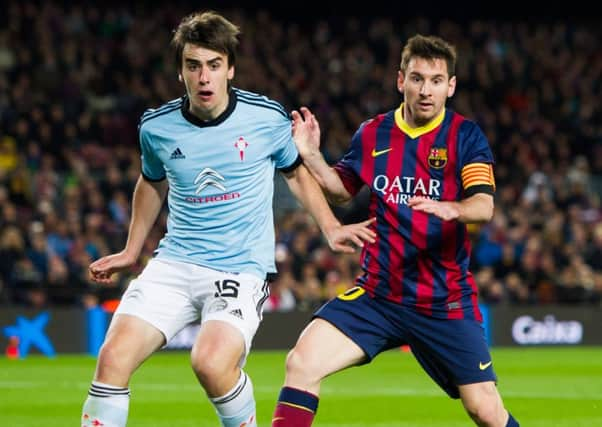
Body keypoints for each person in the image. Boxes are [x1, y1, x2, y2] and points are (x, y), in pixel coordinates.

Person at [80, 11, 375, 427]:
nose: (204, 77)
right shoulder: (157, 127)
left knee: (210, 363)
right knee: (111, 358)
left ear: (230, 69)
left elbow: (295, 174)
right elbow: (151, 183)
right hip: (174, 263)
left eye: (214, 65)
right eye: (193, 66)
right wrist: (131, 250)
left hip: (239, 268)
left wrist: (330, 227)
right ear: (180, 71)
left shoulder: (265, 118)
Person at [272, 35, 520, 427]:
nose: (426, 90)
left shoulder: (465, 137)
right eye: (417, 78)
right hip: (379, 295)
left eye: (437, 81)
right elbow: (340, 190)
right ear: (400, 80)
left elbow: (483, 205)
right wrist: (311, 154)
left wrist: (452, 208)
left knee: (485, 411)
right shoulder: (373, 133)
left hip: (443, 301)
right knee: (301, 362)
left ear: (450, 86)